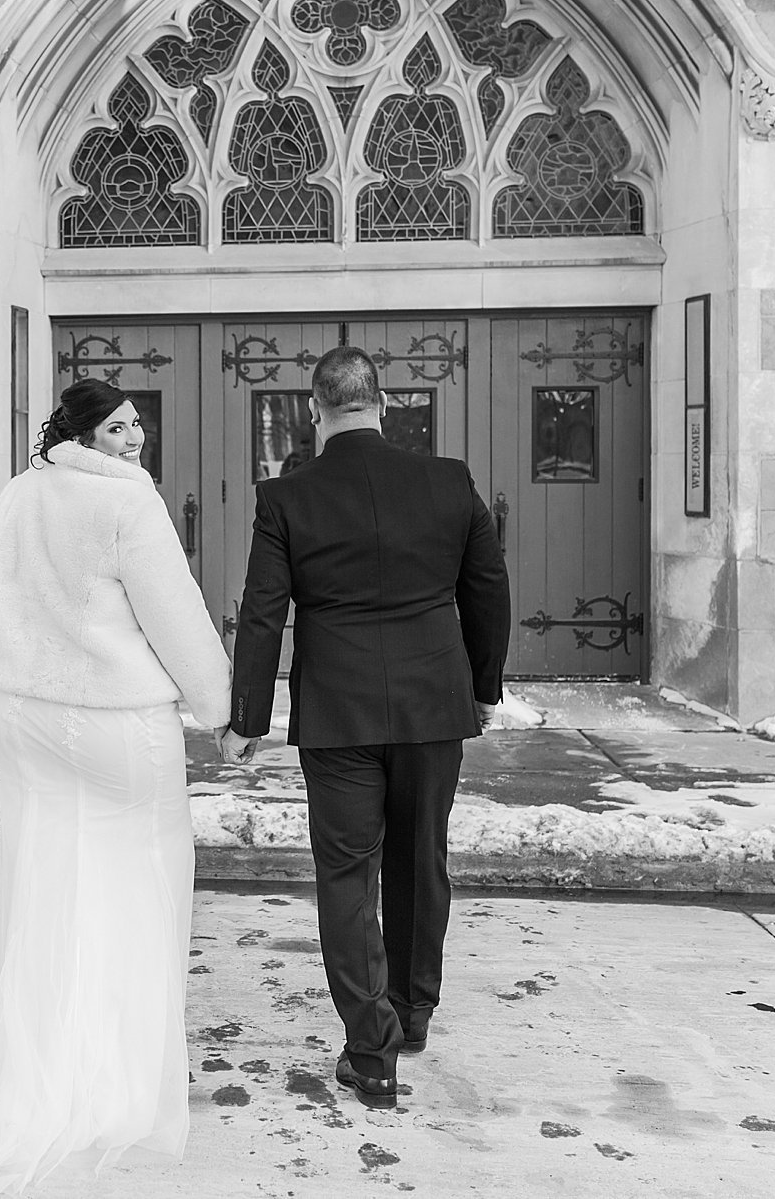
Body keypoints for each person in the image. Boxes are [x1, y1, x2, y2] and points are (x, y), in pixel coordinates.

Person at [0, 378, 230, 1197]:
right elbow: (177, 617)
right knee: (140, 880)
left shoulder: (22, 493)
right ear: (86, 432)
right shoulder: (129, 505)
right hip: (113, 719)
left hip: (25, 715)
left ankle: (34, 1071)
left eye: (139, 426)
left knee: (46, 879)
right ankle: (112, 1081)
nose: (135, 441)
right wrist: (219, 706)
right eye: (119, 427)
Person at [218, 346, 512, 1109]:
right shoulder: (448, 482)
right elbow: (488, 589)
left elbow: (263, 610)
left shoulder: (287, 497)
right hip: (431, 705)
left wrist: (247, 716)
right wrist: (484, 687)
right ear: (382, 403)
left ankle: (370, 1050)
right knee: (421, 858)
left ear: (316, 410)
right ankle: (412, 1014)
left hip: (339, 712)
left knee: (348, 875)